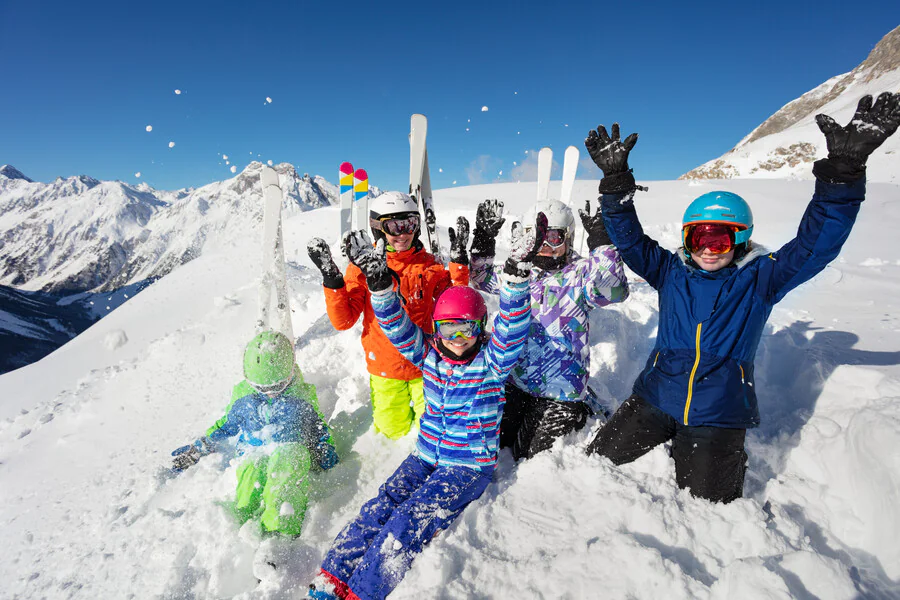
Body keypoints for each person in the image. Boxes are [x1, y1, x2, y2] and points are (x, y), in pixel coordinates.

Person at [583, 92, 900, 503]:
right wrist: (615, 186)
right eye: (700, 236)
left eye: (721, 238)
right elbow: (629, 240)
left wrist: (842, 177)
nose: (709, 249)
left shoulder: (762, 279)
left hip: (718, 414)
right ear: (686, 238)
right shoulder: (669, 271)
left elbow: (815, 246)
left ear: (742, 239)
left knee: (709, 512)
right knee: (591, 469)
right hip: (655, 398)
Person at [305, 214, 546, 600]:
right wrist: (382, 286)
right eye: (448, 329)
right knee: (382, 505)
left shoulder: (491, 363)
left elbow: (512, 331)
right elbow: (395, 324)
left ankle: (364, 592)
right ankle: (333, 577)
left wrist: (516, 281)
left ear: (481, 328)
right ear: (436, 329)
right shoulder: (429, 354)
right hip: (425, 456)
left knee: (409, 520)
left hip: (466, 465)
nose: (457, 339)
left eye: (467, 329)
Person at [469, 196, 629, 460]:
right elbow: (481, 277)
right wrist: (484, 237)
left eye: (553, 237)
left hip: (559, 391)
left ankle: (580, 411)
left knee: (530, 455)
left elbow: (615, 288)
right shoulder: (520, 271)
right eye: (536, 236)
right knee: (492, 441)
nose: (544, 245)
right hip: (517, 381)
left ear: (568, 238)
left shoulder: (580, 274)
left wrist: (602, 242)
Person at [307, 191, 469, 439]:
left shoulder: (429, 265)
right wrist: (333, 280)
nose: (403, 233)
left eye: (409, 224)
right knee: (393, 433)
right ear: (377, 228)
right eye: (393, 226)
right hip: (385, 367)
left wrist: (459, 265)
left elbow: (456, 307)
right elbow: (343, 321)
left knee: (434, 431)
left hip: (425, 365)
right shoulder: (363, 267)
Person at [170, 330, 339, 536]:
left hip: (292, 447)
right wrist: (198, 448)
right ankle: (241, 524)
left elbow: (318, 426)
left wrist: (324, 449)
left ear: (290, 373)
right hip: (254, 449)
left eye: (277, 386)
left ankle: (280, 530)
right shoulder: (243, 397)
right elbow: (226, 425)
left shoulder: (301, 396)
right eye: (260, 388)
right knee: (250, 471)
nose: (269, 393)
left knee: (284, 470)